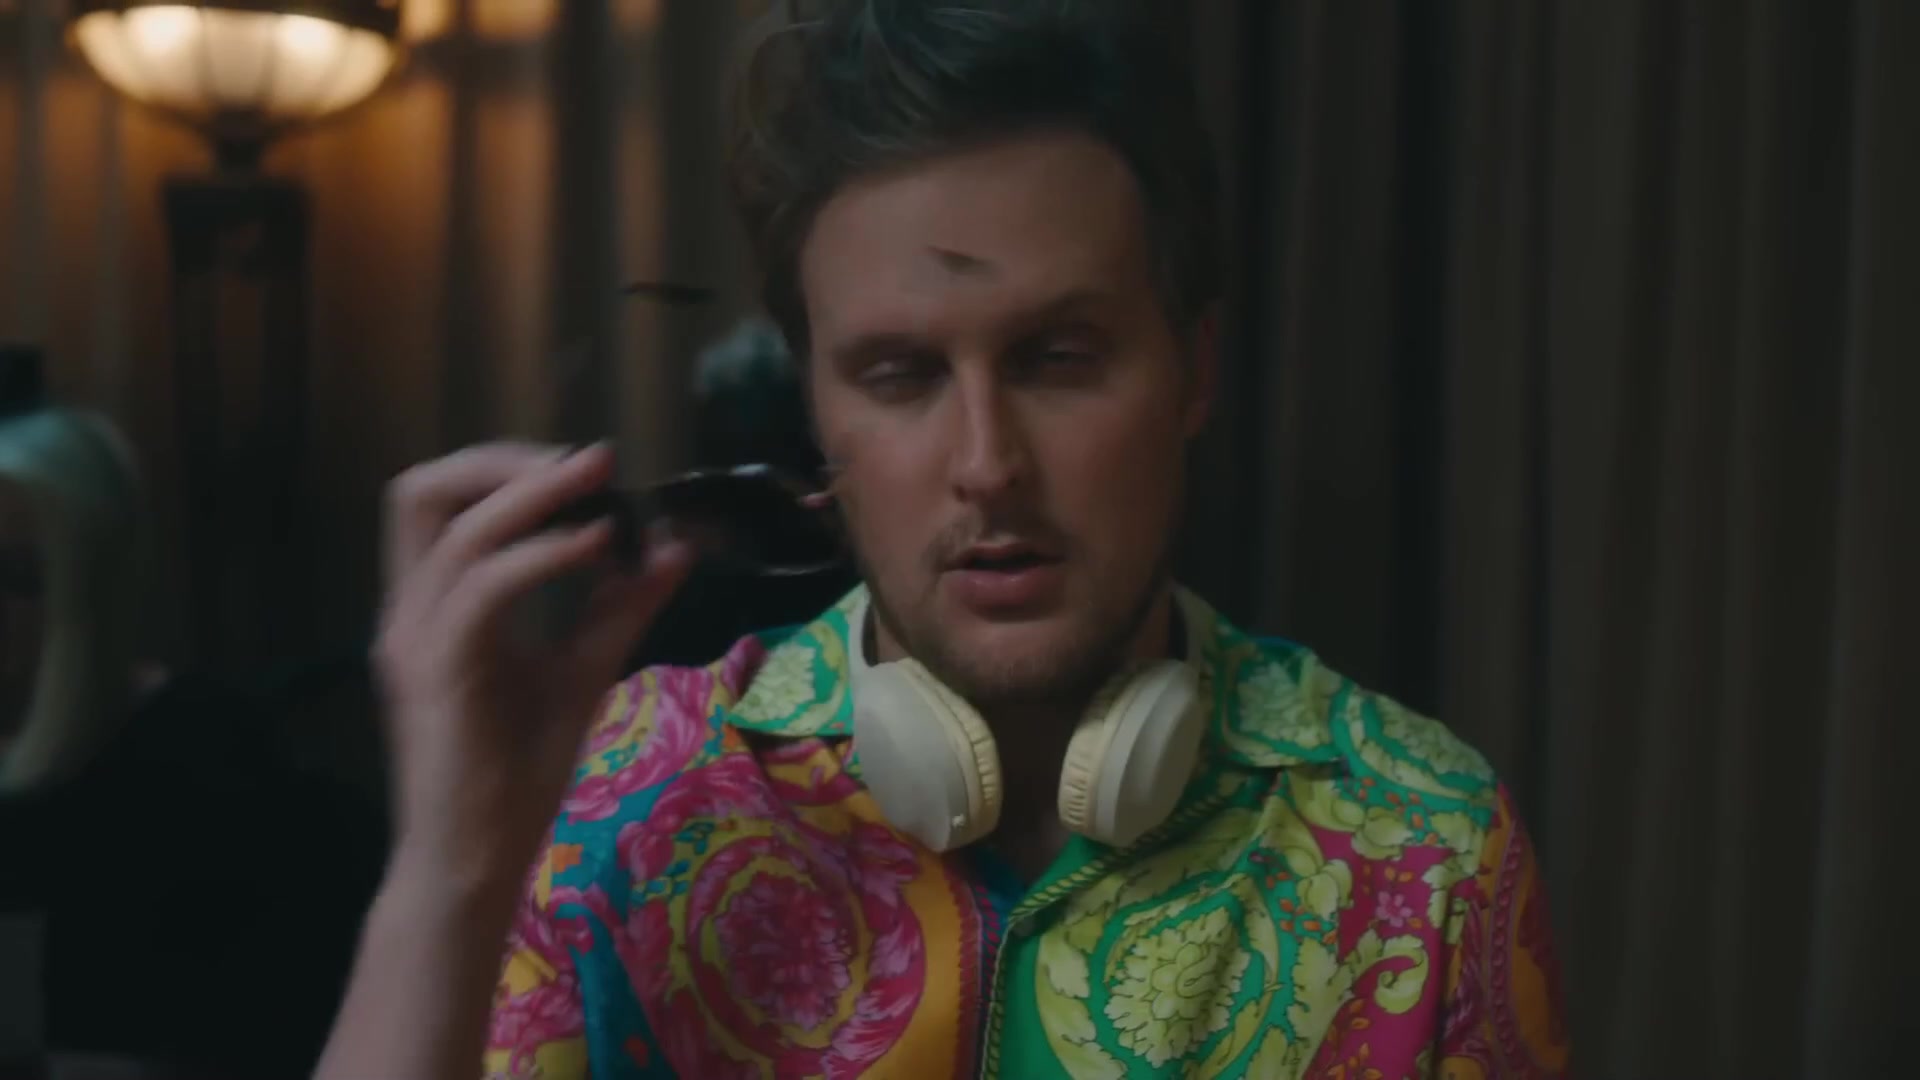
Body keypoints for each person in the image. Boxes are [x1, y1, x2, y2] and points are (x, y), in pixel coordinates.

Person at [316, 2, 1570, 1077]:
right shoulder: (618, 801)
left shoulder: (1425, 849)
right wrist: (449, 871)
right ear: (815, 410)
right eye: (902, 375)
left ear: (1194, 370)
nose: (986, 465)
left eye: (1059, 358)